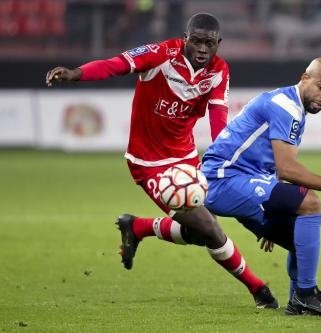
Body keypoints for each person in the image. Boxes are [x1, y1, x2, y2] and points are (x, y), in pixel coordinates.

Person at [45, 13, 278, 309]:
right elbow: (114, 65)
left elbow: (220, 123)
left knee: (198, 233)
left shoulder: (219, 71)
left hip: (186, 160)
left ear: (219, 44)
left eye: (209, 43)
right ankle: (259, 290)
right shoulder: (160, 54)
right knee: (211, 229)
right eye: (196, 41)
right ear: (186, 38)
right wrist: (76, 73)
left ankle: (138, 227)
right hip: (148, 163)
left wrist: (224, 161)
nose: (202, 49)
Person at [201, 57, 321, 318]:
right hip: (223, 180)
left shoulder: (293, 106)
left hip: (243, 180)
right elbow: (287, 169)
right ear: (304, 78)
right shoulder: (285, 107)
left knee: (299, 236)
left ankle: (296, 302)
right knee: (310, 203)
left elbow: (272, 168)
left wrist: (275, 207)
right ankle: (307, 294)